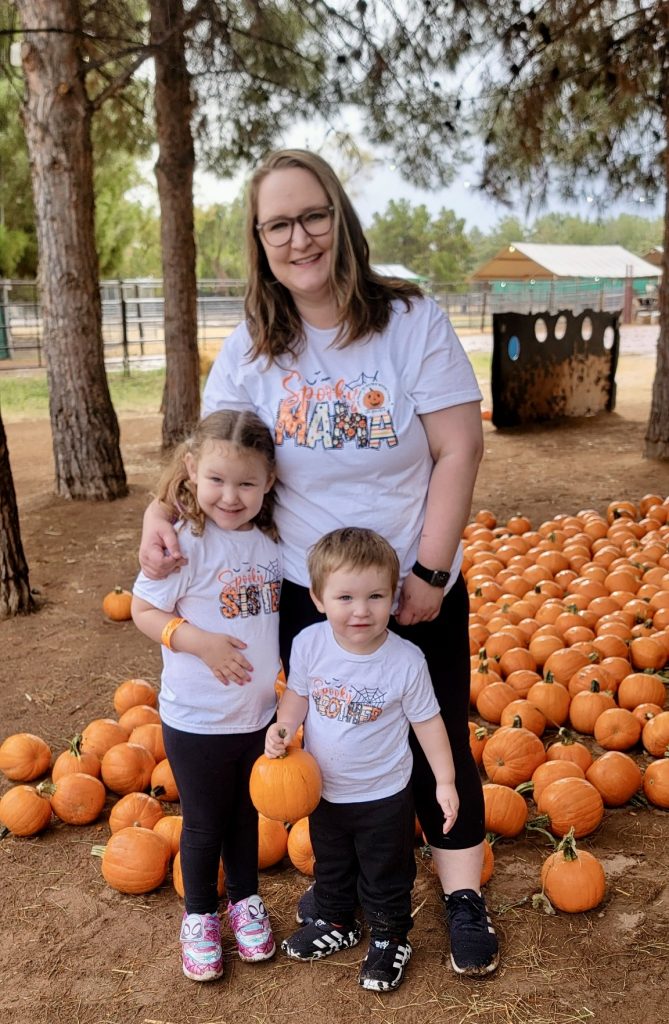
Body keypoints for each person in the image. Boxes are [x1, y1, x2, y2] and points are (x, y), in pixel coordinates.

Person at [139, 148, 499, 976]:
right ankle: (338, 900)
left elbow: (458, 446)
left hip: (412, 582)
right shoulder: (255, 347)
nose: (298, 237)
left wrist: (431, 575)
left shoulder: (409, 320)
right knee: (327, 747)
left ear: (340, 218)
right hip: (302, 594)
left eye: (312, 216)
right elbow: (208, 455)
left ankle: (459, 894)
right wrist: (162, 507)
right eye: (277, 225)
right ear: (259, 240)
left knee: (431, 730)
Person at [265, 527, 458, 992]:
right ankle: (337, 921)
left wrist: (445, 782)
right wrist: (284, 729)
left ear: (393, 597)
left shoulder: (405, 660)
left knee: (385, 871)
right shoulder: (310, 644)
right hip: (324, 788)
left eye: (376, 596)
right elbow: (297, 696)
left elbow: (429, 724)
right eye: (345, 596)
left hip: (384, 795)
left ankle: (391, 938)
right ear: (317, 597)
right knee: (330, 862)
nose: (361, 610)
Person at [132, 410, 282, 982]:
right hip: (196, 717)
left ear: (269, 482)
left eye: (247, 483)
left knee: (246, 817)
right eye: (217, 480)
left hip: (257, 714)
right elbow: (144, 610)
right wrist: (197, 642)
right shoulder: (181, 544)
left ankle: (244, 902)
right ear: (192, 470)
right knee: (201, 824)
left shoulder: (272, 541)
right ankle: (199, 917)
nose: (230, 495)